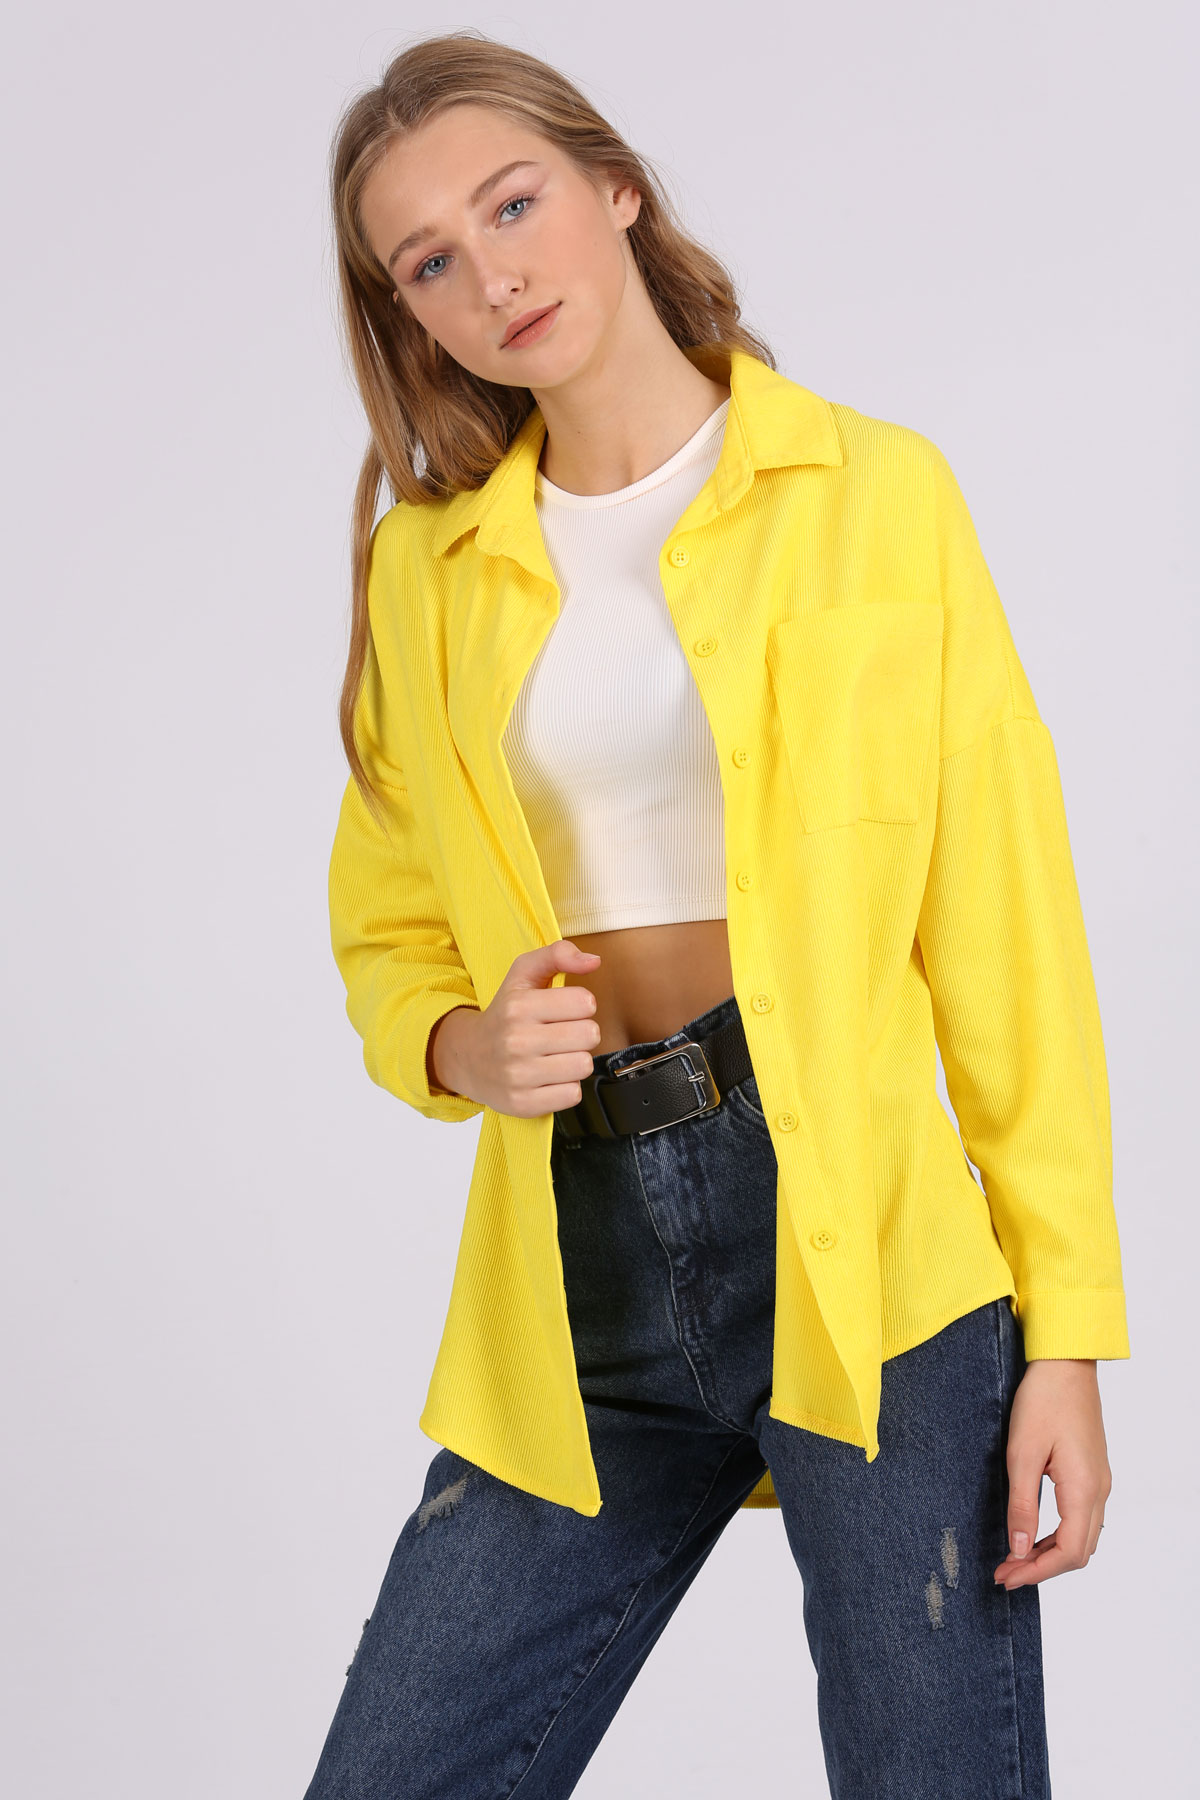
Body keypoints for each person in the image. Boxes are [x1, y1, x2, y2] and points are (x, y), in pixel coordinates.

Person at [303, 29, 1130, 1799]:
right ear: (407, 315)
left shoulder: (875, 494)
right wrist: (459, 1042)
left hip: (872, 1262)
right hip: (575, 1265)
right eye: (426, 262)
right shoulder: (430, 573)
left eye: (511, 204)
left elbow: (1010, 932)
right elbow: (386, 921)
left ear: (615, 188)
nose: (488, 275)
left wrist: (1064, 1336)